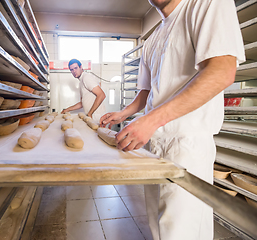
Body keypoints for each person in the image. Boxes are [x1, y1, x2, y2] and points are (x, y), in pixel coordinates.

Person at [100, 0, 245, 239]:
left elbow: (222, 70)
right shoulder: (152, 40)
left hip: (186, 144)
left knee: (181, 232)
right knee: (158, 227)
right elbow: (146, 92)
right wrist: (123, 114)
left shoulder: (206, 4)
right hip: (153, 144)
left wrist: (150, 120)